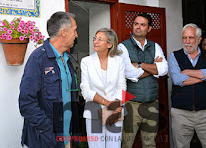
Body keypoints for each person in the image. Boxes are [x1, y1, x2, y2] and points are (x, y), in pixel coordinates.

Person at [19, 11, 79, 148]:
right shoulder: (38, 59)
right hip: (45, 140)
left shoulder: (67, 60)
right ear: (64, 32)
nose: (76, 35)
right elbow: (26, 103)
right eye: (74, 31)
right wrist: (49, 132)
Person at [119, 13, 168, 148]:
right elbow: (129, 73)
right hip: (131, 104)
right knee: (126, 143)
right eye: (136, 24)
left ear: (149, 28)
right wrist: (153, 69)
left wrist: (140, 64)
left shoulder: (155, 46)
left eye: (142, 24)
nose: (138, 27)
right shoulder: (122, 47)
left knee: (150, 144)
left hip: (152, 103)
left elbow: (163, 69)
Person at [168, 23, 206, 148]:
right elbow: (177, 80)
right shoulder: (174, 56)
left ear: (199, 39)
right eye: (184, 38)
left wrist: (187, 72)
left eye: (191, 38)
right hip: (181, 113)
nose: (187, 41)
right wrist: (203, 75)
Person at [80, 28, 126, 148]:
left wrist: (116, 108)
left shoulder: (119, 61)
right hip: (93, 112)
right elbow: (85, 90)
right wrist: (108, 104)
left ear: (110, 44)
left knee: (114, 146)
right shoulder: (86, 62)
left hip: (115, 112)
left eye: (100, 39)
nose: (95, 42)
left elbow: (122, 86)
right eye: (95, 39)